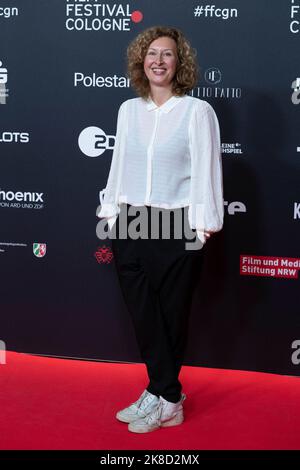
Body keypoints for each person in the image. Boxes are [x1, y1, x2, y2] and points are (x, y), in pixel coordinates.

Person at [97, 25, 224, 433]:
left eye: (168, 54)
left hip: (177, 224)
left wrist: (204, 226)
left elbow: (207, 170)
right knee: (144, 314)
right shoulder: (128, 110)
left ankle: (165, 398)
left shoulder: (196, 111)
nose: (158, 60)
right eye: (152, 53)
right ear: (141, 60)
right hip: (131, 222)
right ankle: (164, 394)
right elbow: (119, 165)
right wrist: (111, 211)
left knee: (170, 316)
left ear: (179, 63)